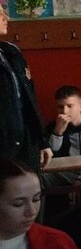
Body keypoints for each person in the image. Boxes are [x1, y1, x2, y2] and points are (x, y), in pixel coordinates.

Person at [0, 13, 50, 169]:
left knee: (32, 183)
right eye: (0, 14)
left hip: (25, 141)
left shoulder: (10, 52)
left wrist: (41, 141)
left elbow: (29, 99)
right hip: (3, 145)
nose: (6, 17)